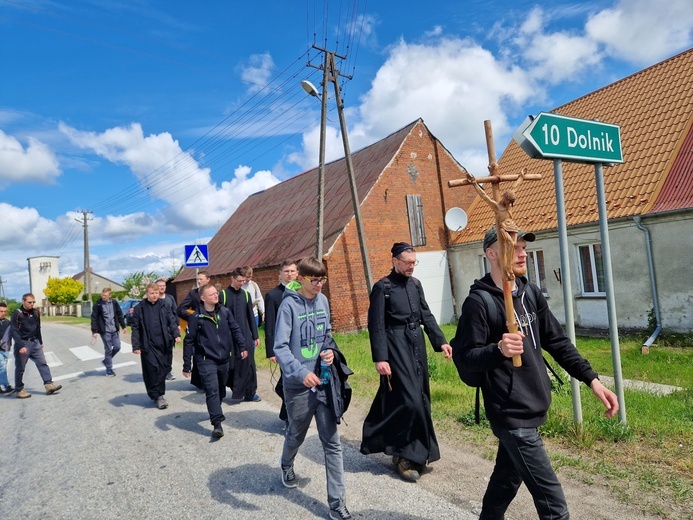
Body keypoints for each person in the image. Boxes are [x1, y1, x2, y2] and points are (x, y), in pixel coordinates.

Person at [452, 227, 619, 520]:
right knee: (554, 508)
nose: (522, 252)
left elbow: (557, 341)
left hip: (532, 404)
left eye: (523, 247)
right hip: (510, 412)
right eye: (513, 247)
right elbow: (466, 357)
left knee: (506, 481)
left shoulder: (530, 292)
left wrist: (592, 380)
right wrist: (499, 350)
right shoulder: (479, 303)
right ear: (491, 254)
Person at [360, 242, 452, 482]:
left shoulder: (415, 285)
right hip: (395, 345)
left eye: (414, 262)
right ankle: (401, 456)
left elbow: (426, 314)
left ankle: (415, 454)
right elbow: (376, 326)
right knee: (409, 401)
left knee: (421, 399)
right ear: (395, 261)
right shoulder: (383, 288)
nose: (412, 267)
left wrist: (440, 340)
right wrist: (380, 357)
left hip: (416, 343)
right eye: (408, 262)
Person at [273, 257, 351, 520]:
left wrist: (329, 351)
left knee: (332, 442)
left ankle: (337, 503)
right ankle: (286, 464)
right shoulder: (288, 306)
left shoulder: (323, 301)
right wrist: (299, 371)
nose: (319, 285)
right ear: (302, 279)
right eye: (315, 280)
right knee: (296, 433)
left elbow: (327, 334)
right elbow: (280, 347)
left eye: (322, 280)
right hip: (298, 385)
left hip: (324, 382)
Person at [183, 284, 248, 438]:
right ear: (203, 298)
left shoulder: (225, 312)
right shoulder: (196, 317)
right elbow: (189, 341)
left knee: (220, 390)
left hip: (224, 359)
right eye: (211, 294)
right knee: (212, 390)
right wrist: (187, 364)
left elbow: (235, 329)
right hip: (205, 360)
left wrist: (243, 346)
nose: (215, 295)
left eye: (216, 293)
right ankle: (217, 424)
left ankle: (215, 408)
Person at [131, 283, 181, 409]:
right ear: (147, 294)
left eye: (157, 293)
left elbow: (172, 321)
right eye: (152, 293)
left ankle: (157, 393)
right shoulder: (139, 308)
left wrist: (176, 334)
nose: (155, 296)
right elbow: (135, 328)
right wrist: (136, 345)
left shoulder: (165, 305)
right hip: (148, 345)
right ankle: (158, 395)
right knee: (153, 369)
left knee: (165, 368)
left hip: (164, 343)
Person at [264, 259, 298, 425]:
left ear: (297, 273)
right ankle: (290, 418)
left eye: (292, 271)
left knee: (295, 380)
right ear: (280, 274)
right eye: (286, 271)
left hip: (300, 345)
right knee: (288, 381)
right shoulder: (273, 295)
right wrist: (271, 351)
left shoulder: (302, 292)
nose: (289, 274)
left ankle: (288, 414)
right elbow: (270, 325)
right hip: (284, 346)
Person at [10, 293, 62, 398]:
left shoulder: (36, 312)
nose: (32, 304)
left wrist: (40, 341)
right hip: (23, 343)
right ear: (23, 301)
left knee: (42, 363)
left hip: (35, 343)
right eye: (29, 302)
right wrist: (20, 346)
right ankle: (19, 390)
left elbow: (38, 328)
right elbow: (14, 331)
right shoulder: (17, 314)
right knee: (20, 368)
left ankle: (49, 385)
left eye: (33, 302)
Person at [222, 267, 260, 402]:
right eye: (239, 280)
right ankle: (235, 390)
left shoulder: (245, 295)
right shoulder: (224, 295)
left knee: (249, 364)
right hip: (229, 337)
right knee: (233, 365)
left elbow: (250, 316)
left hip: (245, 335)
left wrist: (255, 336)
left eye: (243, 281)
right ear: (232, 278)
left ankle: (250, 393)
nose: (241, 283)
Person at [177, 270, 210, 388]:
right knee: (198, 353)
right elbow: (180, 309)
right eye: (198, 279)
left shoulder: (214, 293)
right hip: (197, 328)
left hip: (210, 326)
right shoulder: (193, 294)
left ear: (208, 280)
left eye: (201, 279)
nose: (199, 281)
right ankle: (199, 380)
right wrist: (192, 317)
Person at [91, 287, 128, 377]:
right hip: (105, 331)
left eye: (105, 295)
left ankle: (106, 361)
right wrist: (95, 331)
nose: (103, 297)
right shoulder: (98, 304)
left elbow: (119, 314)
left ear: (110, 295)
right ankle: (109, 370)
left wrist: (123, 326)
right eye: (102, 295)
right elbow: (94, 318)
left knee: (117, 347)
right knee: (108, 349)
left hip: (114, 330)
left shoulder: (114, 303)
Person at [156, 278, 178, 381]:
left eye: (163, 286)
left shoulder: (170, 298)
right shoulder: (155, 299)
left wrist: (177, 326)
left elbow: (175, 312)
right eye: (160, 286)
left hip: (169, 330)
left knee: (169, 352)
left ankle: (168, 371)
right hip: (158, 331)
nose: (162, 287)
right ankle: (160, 370)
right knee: (159, 352)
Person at [0, 302, 14, 393]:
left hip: (5, 349)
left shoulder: (7, 322)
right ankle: (5, 386)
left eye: (5, 311)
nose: (3, 313)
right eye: (1, 311)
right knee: (2, 366)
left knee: (2, 367)